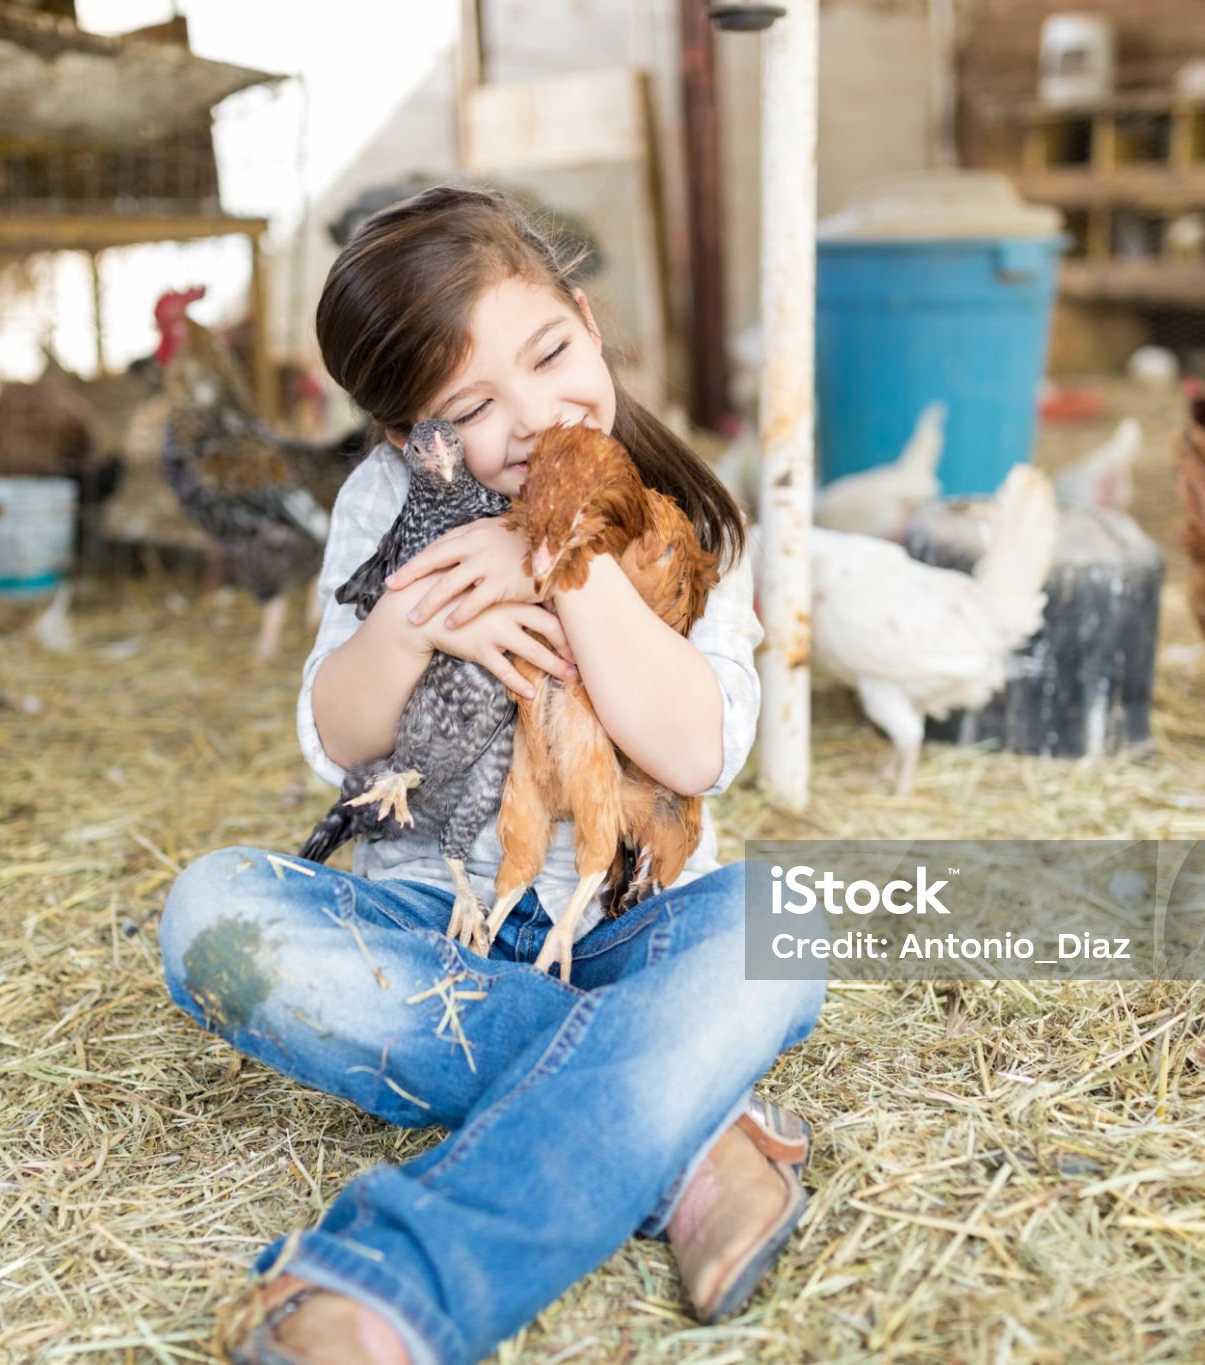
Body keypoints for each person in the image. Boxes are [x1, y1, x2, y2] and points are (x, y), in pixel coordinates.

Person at [158, 184, 825, 1365]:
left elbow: (696, 751)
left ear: (586, 318)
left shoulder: (678, 510)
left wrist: (562, 559)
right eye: (469, 408)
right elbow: (335, 736)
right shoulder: (385, 502)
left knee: (781, 922)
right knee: (212, 914)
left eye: (550, 354)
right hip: (435, 922)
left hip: (629, 926)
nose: (529, 418)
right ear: (404, 436)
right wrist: (410, 621)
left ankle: (397, 1285)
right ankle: (687, 1128)